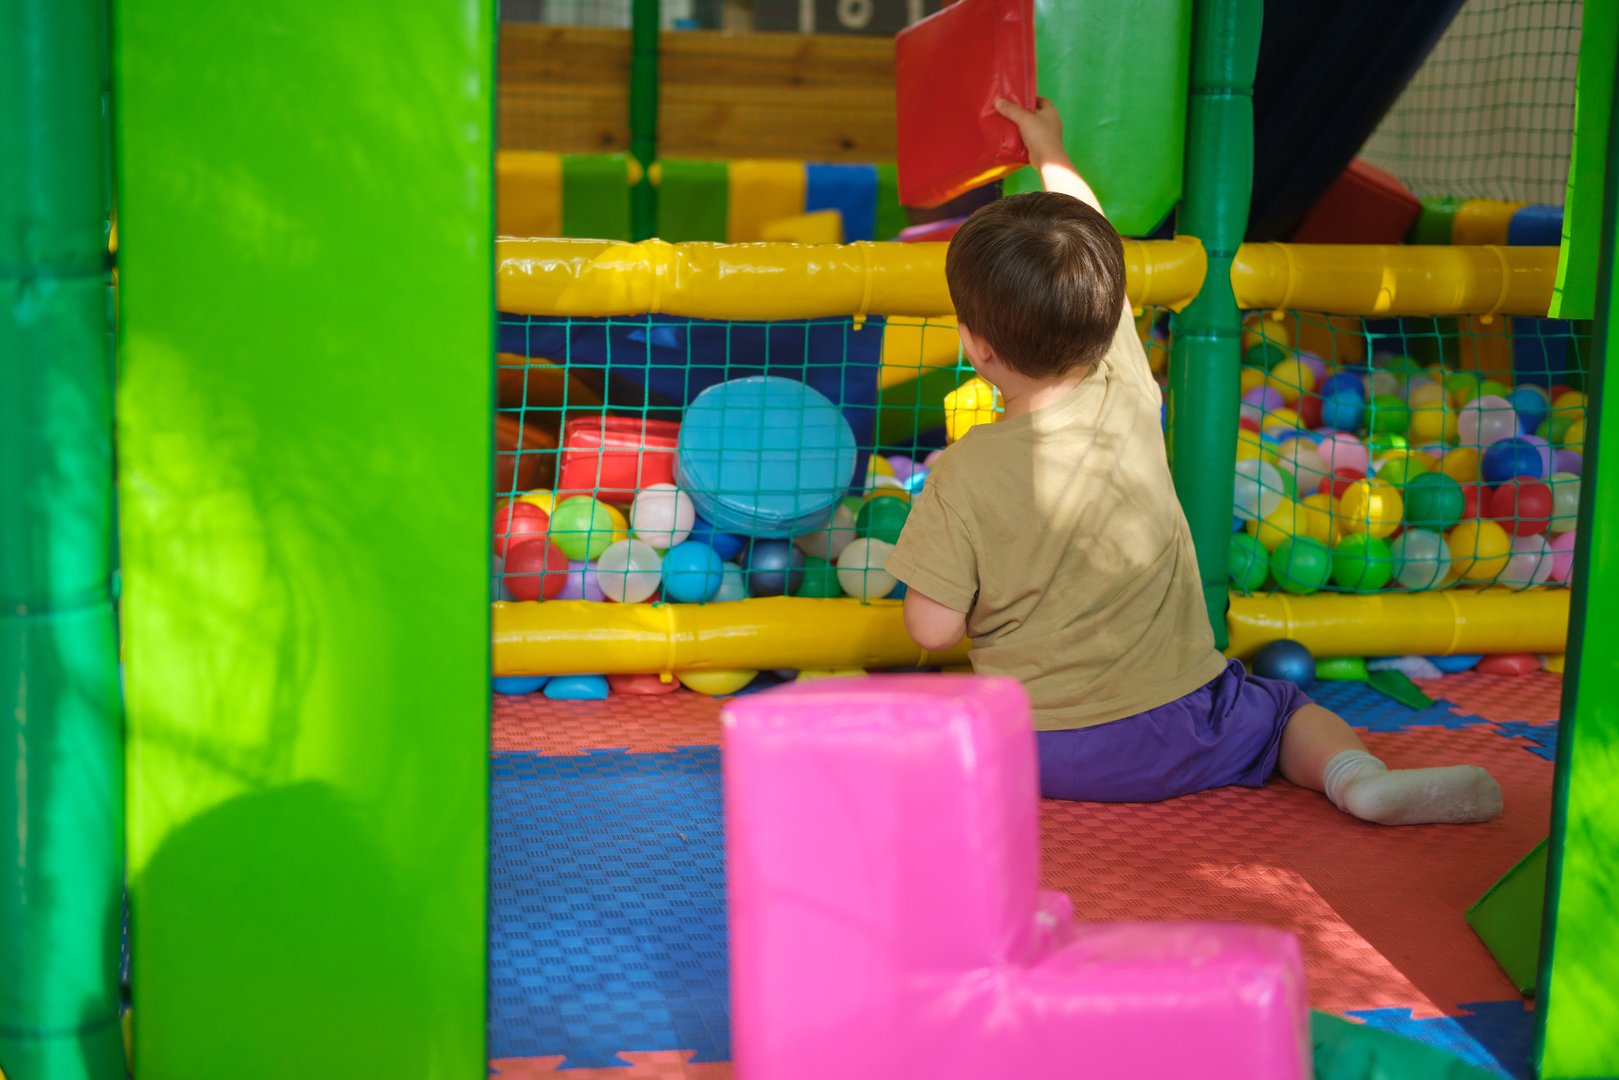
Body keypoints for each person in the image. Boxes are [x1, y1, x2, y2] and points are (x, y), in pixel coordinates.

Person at [885, 97, 1502, 826]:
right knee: (1282, 714)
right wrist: (1049, 150)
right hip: (1185, 730)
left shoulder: (963, 472)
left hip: (1036, 751)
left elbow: (930, 630)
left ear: (975, 347)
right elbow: (1094, 239)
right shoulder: (1124, 383)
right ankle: (1353, 776)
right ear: (1104, 311)